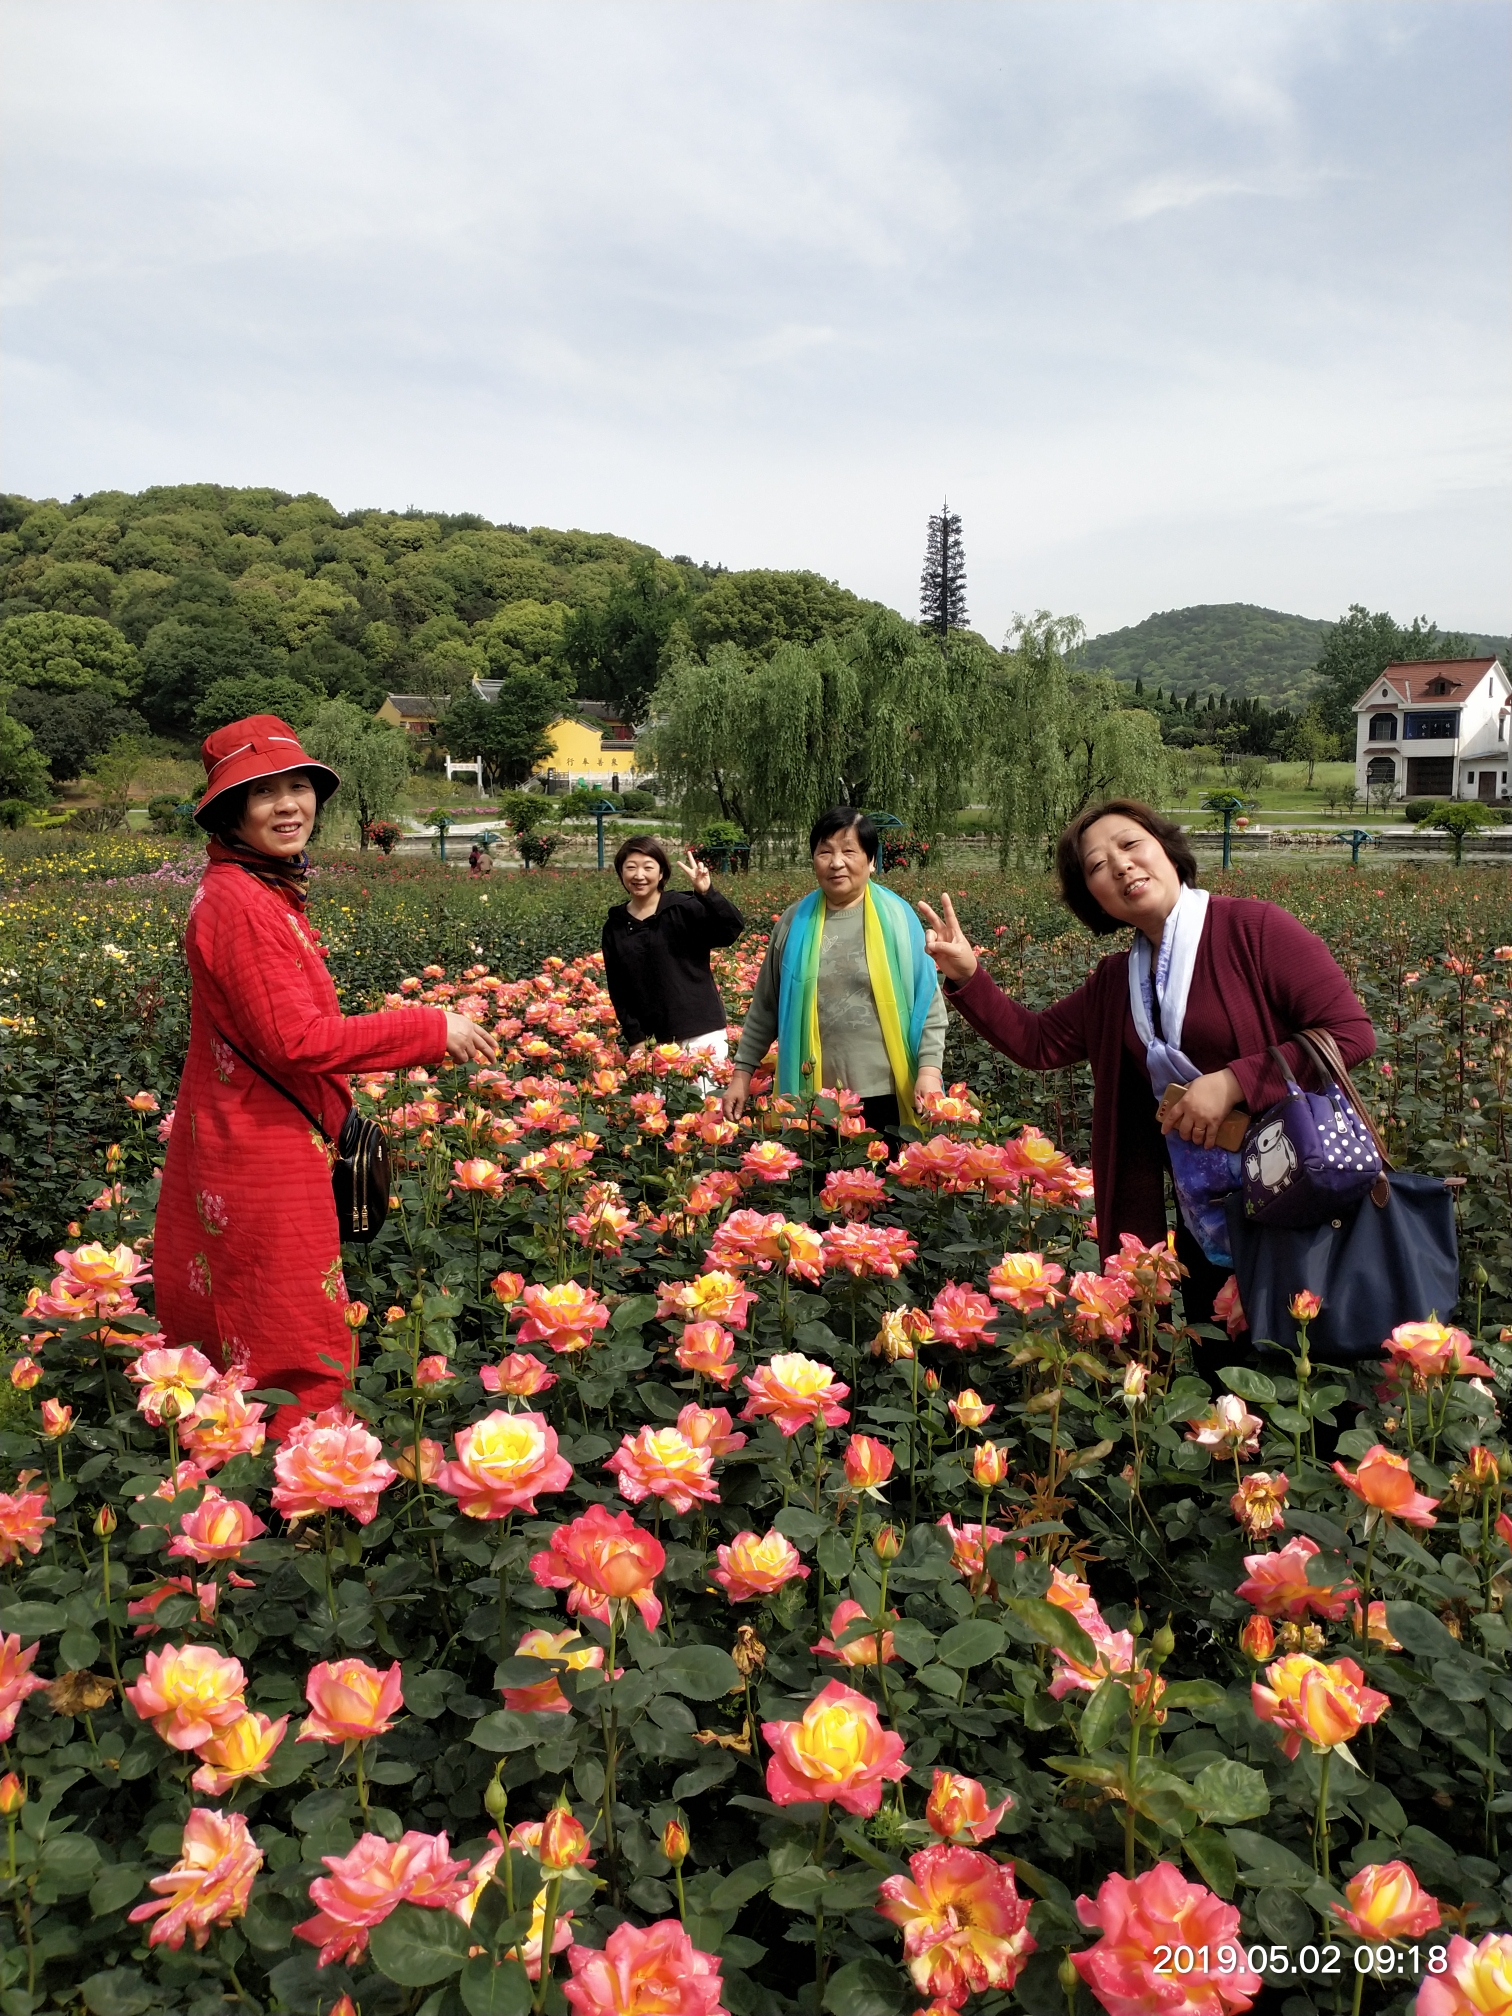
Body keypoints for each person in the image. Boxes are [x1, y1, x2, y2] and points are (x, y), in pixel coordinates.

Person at [155, 716, 498, 1433]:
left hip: (258, 1136)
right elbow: (295, 1039)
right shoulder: (239, 903)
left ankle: (263, 1484)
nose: (289, 805)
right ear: (229, 812)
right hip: (261, 1151)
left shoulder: (256, 890)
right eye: (264, 793)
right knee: (288, 1335)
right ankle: (303, 1504)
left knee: (256, 1322)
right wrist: (430, 1027)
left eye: (299, 786)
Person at [918, 798, 1374, 1336]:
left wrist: (1233, 1082)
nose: (1120, 865)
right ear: (1096, 899)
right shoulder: (1116, 983)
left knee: (1311, 1368)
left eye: (1131, 845)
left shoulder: (1254, 929)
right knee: (1222, 1377)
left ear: (1167, 849)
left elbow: (1350, 1033)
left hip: (1301, 1193)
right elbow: (1038, 1043)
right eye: (1096, 866)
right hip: (1207, 1214)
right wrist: (970, 975)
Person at [723, 808, 946, 1144]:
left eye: (849, 851)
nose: (836, 862)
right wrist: (741, 1075)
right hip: (811, 1100)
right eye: (825, 851)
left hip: (889, 1093)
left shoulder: (900, 920)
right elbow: (766, 1008)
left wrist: (929, 1072)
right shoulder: (793, 923)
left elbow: (927, 1005)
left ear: (871, 861)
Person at [600, 836, 745, 1066]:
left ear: (661, 874)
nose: (639, 875)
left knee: (705, 1100)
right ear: (621, 873)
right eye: (630, 867)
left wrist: (708, 893)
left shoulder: (683, 908)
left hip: (700, 1033)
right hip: (652, 1040)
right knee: (654, 1102)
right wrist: (635, 1037)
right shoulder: (616, 926)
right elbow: (618, 987)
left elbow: (730, 929)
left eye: (648, 867)